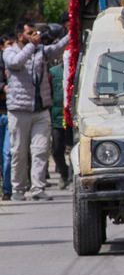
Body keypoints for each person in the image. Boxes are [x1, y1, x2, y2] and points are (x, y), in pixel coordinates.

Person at [2, 20, 71, 201]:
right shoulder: (10, 51)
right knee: (19, 151)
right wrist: (31, 47)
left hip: (41, 110)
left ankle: (38, 188)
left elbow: (57, 49)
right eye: (31, 33)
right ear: (20, 36)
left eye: (36, 32)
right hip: (19, 110)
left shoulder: (39, 50)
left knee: (41, 150)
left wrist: (73, 32)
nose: (36, 35)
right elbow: (16, 63)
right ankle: (18, 188)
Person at [49, 59, 70, 190]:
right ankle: (64, 173)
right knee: (56, 150)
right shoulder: (53, 72)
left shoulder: (77, 68)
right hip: (57, 117)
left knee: (75, 149)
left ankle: (72, 176)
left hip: (72, 118)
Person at [0, 33, 13, 200]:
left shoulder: (18, 63)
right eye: (9, 44)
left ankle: (7, 189)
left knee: (8, 154)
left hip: (11, 114)